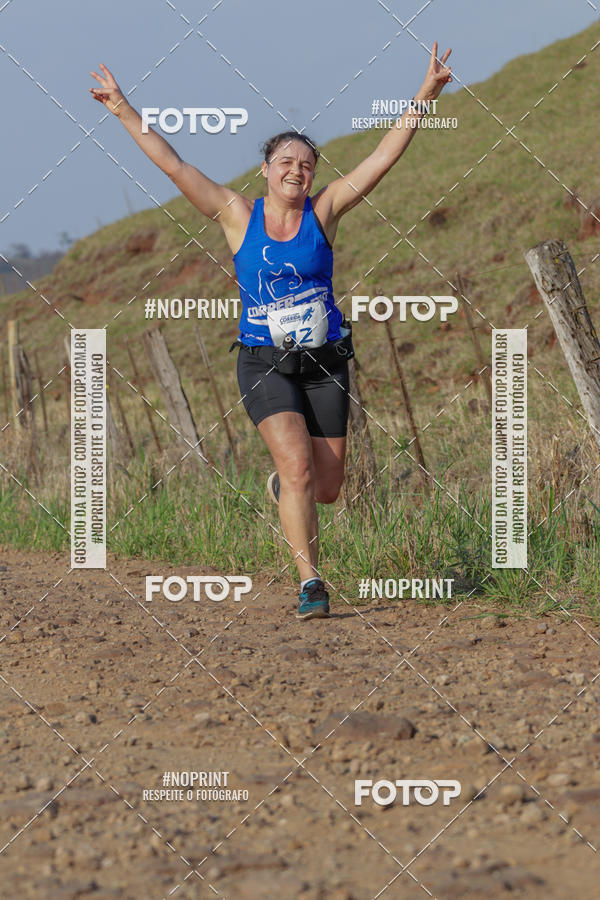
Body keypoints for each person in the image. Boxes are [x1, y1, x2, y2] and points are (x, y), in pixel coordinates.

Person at [90, 43, 452, 620]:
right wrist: (124, 110)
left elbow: (382, 159)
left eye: (306, 164)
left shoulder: (325, 211)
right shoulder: (237, 214)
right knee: (299, 468)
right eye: (286, 161)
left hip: (326, 360)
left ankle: (285, 491)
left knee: (328, 486)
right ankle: (311, 582)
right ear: (266, 169)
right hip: (264, 362)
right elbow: (175, 165)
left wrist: (424, 99)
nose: (296, 170)